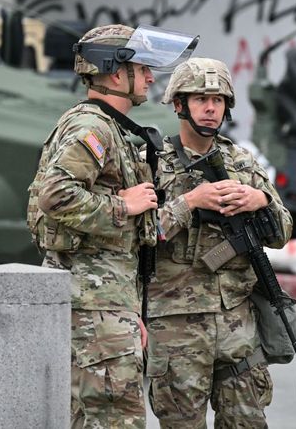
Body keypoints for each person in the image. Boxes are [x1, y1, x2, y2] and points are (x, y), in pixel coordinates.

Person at [27, 24, 197, 428]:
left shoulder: (108, 126)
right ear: (117, 73)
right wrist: (124, 205)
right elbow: (55, 195)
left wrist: (127, 309)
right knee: (114, 419)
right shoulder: (94, 128)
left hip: (104, 305)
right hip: (93, 310)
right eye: (143, 69)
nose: (151, 78)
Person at [146, 57, 293, 428]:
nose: (211, 108)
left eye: (218, 100)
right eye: (200, 99)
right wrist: (190, 202)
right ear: (179, 104)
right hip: (176, 322)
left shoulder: (242, 162)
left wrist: (260, 201)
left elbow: (282, 232)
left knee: (247, 422)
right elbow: (140, 234)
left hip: (237, 321)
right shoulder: (152, 162)